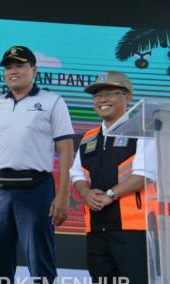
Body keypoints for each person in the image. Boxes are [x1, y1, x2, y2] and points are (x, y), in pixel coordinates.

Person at [0, 46, 74, 283]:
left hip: (36, 190)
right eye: (8, 67)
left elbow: (66, 149)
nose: (13, 71)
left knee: (40, 263)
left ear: (34, 70)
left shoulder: (53, 101)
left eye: (19, 66)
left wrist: (64, 195)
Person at [70, 71, 155, 284]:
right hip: (96, 229)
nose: (102, 100)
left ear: (128, 97)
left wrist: (110, 195)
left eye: (110, 93)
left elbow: (145, 174)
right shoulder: (88, 137)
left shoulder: (143, 130)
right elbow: (76, 173)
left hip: (134, 231)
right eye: (97, 95)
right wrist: (85, 192)